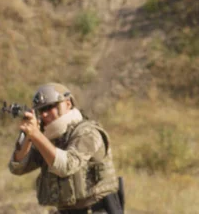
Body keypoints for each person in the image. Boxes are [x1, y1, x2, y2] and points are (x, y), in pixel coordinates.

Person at [8, 83, 123, 214]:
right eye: (41, 110)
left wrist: (36, 135)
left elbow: (66, 166)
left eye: (50, 107)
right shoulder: (48, 138)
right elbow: (18, 167)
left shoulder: (87, 132)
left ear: (68, 104)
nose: (44, 114)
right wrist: (28, 137)